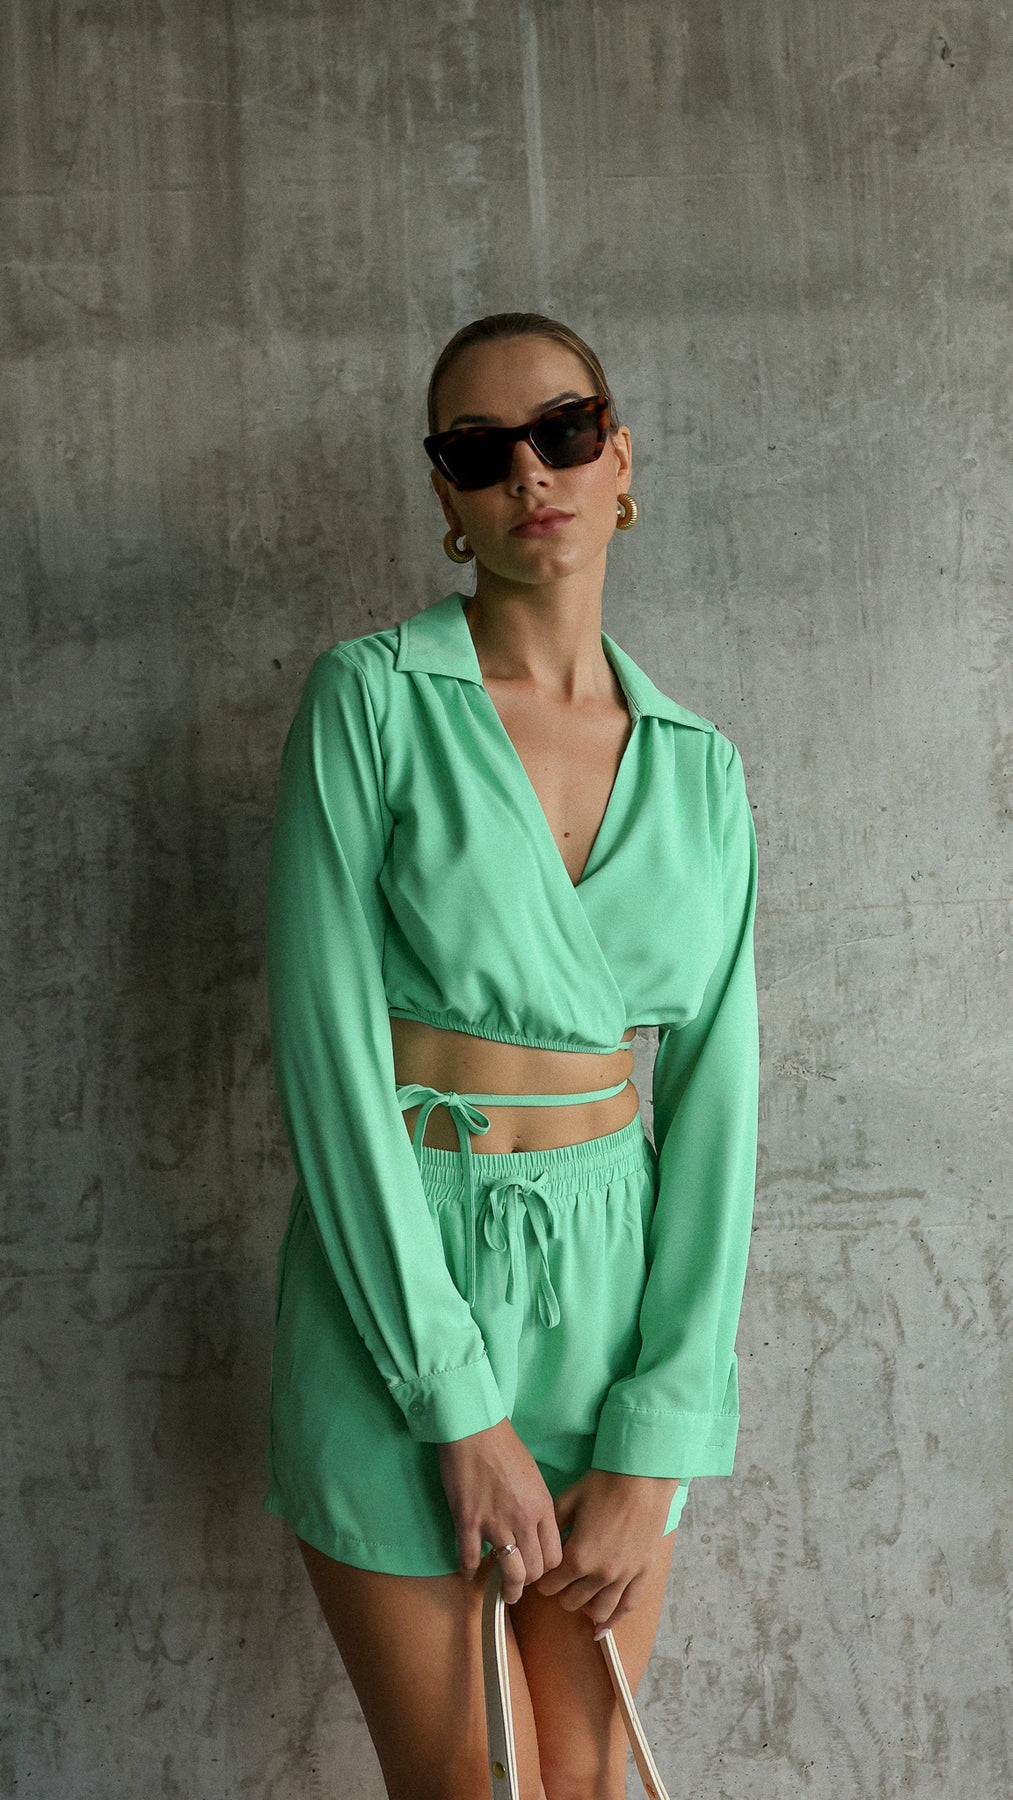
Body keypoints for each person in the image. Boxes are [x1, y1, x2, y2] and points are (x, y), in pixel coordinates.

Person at [264, 312, 759, 1800]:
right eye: (479, 453)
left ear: (620, 457)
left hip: (612, 1310)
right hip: (401, 1281)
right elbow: (328, 1060)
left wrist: (657, 1440)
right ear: (447, 496)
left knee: (595, 1788)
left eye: (562, 431)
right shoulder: (369, 703)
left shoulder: (700, 769)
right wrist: (452, 1398)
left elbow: (718, 1113)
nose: (528, 474)